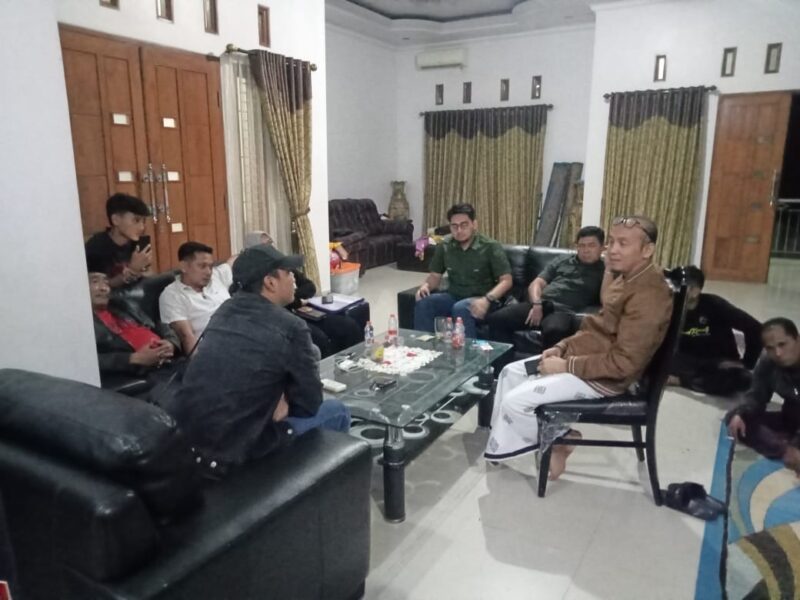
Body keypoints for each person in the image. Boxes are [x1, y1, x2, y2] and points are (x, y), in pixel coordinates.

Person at [484, 215, 673, 480]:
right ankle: (515, 443)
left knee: (514, 402)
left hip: (606, 379)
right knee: (510, 373)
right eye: (612, 242)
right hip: (590, 358)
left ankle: (560, 439)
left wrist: (566, 365)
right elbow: (594, 328)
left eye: (623, 243)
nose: (612, 250)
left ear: (647, 250)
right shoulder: (627, 278)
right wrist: (562, 347)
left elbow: (624, 364)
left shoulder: (649, 295)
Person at [168, 244, 351, 472]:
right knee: (337, 410)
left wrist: (281, 401)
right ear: (270, 282)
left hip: (192, 442)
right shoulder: (291, 326)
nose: (294, 278)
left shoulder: (224, 311)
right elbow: (309, 405)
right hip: (239, 450)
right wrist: (283, 403)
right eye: (288, 272)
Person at [245, 231, 363, 357]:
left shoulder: (282, 264)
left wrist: (293, 296)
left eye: (270, 242)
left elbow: (310, 287)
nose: (270, 247)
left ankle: (359, 362)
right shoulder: (253, 276)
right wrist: (296, 300)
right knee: (319, 339)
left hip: (302, 311)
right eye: (265, 245)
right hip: (282, 318)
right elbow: (270, 304)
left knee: (349, 326)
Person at [486, 226, 605, 349]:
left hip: (563, 311)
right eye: (581, 245)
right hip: (540, 304)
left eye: (591, 245)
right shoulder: (562, 260)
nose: (586, 250)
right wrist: (537, 303)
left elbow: (606, 299)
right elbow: (536, 283)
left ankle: (546, 362)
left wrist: (609, 268)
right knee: (497, 319)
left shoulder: (605, 270)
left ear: (602, 248)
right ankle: (504, 360)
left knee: (555, 330)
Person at [414, 203, 512, 339]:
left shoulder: (490, 246)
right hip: (454, 295)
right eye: (454, 226)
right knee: (425, 303)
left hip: (484, 298)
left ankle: (468, 352)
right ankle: (424, 348)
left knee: (460, 308)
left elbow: (506, 280)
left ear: (474, 224)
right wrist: (426, 286)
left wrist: (487, 299)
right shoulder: (445, 245)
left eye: (464, 225)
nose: (459, 230)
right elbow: (435, 276)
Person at [669, 266, 762, 396]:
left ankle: (682, 380)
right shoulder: (669, 306)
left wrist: (746, 363)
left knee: (739, 379)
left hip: (718, 360)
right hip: (686, 360)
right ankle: (692, 380)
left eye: (678, 287)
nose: (673, 291)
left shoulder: (715, 305)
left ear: (695, 291)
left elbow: (755, 328)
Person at [727, 318, 800, 476]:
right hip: (791, 417)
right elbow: (757, 395)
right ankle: (785, 450)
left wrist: (797, 443)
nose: (778, 353)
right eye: (770, 348)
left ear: (797, 339)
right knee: (737, 421)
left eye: (782, 344)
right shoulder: (768, 361)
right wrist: (742, 412)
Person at [89, 271, 180, 378]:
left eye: (106, 283)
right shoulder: (83, 323)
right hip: (146, 373)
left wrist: (171, 342)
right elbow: (87, 360)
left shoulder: (123, 305)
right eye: (95, 282)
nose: (104, 288)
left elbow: (157, 322)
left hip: (171, 361)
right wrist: (133, 358)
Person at [159, 241, 236, 354]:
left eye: (210, 266)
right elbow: (187, 337)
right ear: (184, 266)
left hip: (243, 335)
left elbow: (233, 262)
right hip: (216, 351)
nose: (208, 272)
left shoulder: (216, 276)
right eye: (202, 266)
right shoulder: (172, 295)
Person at [85, 193, 152, 288]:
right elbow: (100, 288)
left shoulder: (137, 243)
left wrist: (145, 270)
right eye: (136, 220)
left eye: (143, 221)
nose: (142, 227)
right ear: (115, 220)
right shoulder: (96, 247)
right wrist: (132, 271)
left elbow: (148, 275)